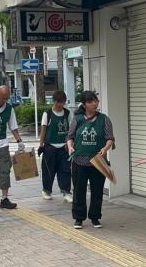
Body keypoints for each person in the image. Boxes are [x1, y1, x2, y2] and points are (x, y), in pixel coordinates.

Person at [67, 91, 114, 229]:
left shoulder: (104, 119)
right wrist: (70, 147)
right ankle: (78, 218)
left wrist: (105, 149)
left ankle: (95, 217)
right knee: (79, 190)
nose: (95, 103)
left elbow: (110, 138)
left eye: (96, 100)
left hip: (98, 161)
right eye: (91, 101)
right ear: (84, 104)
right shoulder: (78, 119)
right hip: (79, 161)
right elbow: (70, 137)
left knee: (97, 190)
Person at [38, 90, 72, 202]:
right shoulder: (47, 114)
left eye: (63, 102)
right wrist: (41, 145)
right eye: (59, 102)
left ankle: (66, 191)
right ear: (54, 101)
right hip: (50, 146)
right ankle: (46, 190)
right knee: (49, 170)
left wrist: (71, 143)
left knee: (65, 170)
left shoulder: (67, 113)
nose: (61, 105)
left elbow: (71, 130)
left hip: (64, 147)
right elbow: (43, 130)